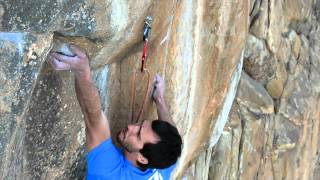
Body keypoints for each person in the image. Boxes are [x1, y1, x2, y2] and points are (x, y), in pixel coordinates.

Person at [48, 45, 182, 180]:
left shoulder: (111, 174)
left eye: (137, 134)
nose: (131, 127)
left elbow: (93, 118)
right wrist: (159, 100)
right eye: (141, 124)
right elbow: (173, 138)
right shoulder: (164, 161)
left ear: (142, 158)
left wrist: (82, 70)